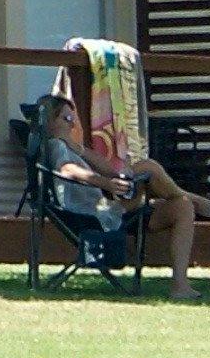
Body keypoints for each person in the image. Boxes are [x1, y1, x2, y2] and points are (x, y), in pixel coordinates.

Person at [44, 41, 200, 291]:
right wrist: (105, 183)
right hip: (93, 215)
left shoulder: (67, 145)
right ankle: (201, 202)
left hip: (109, 210)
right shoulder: (53, 146)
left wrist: (80, 149)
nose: (73, 124)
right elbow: (68, 171)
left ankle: (180, 285)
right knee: (146, 167)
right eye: (67, 118)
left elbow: (110, 169)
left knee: (182, 207)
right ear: (50, 122)